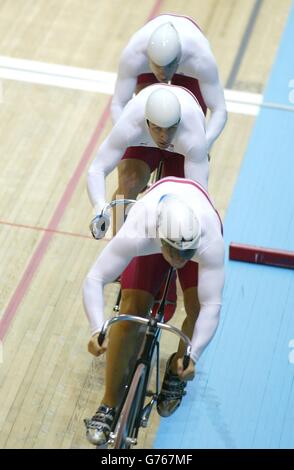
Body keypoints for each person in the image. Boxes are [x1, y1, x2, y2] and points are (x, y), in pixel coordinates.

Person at [83, 177, 225, 446]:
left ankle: (177, 367)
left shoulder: (209, 238)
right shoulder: (140, 226)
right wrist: (96, 327)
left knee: (196, 307)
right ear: (162, 241)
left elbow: (212, 305)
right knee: (130, 310)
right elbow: (94, 278)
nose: (182, 261)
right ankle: (108, 405)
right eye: (176, 253)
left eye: (188, 253)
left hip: (191, 227)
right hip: (151, 236)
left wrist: (193, 354)